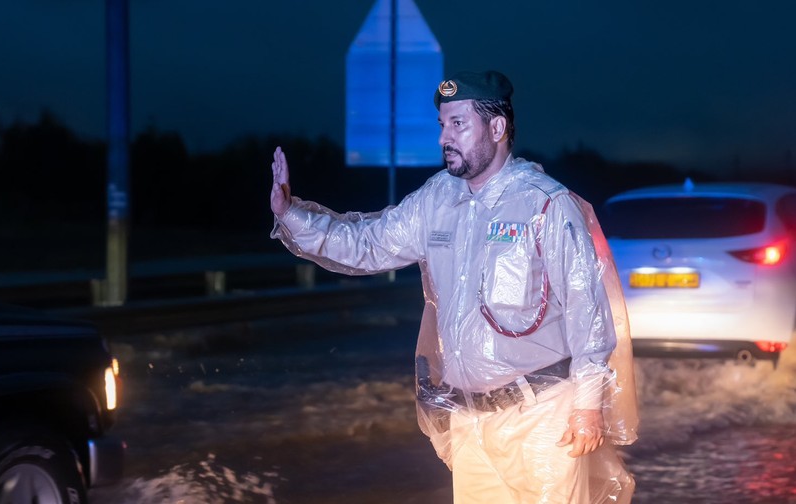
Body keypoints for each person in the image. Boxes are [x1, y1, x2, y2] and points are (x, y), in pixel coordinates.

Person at [270, 70, 638, 504]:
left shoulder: (546, 204)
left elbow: (587, 310)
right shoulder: (436, 200)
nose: (445, 137)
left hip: (543, 417)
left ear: (497, 127)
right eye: (442, 125)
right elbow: (366, 244)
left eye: (458, 124)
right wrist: (292, 214)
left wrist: (588, 407)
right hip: (468, 420)